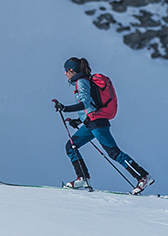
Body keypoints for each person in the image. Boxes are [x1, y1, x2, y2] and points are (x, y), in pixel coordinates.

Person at [54, 57, 153, 194]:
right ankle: (83, 178)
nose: (65, 73)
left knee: (114, 153)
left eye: (66, 70)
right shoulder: (83, 81)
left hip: (97, 123)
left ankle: (143, 176)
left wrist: (65, 108)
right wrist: (78, 120)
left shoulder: (81, 82)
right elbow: (90, 106)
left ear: (72, 70)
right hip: (91, 123)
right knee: (71, 146)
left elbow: (86, 103)